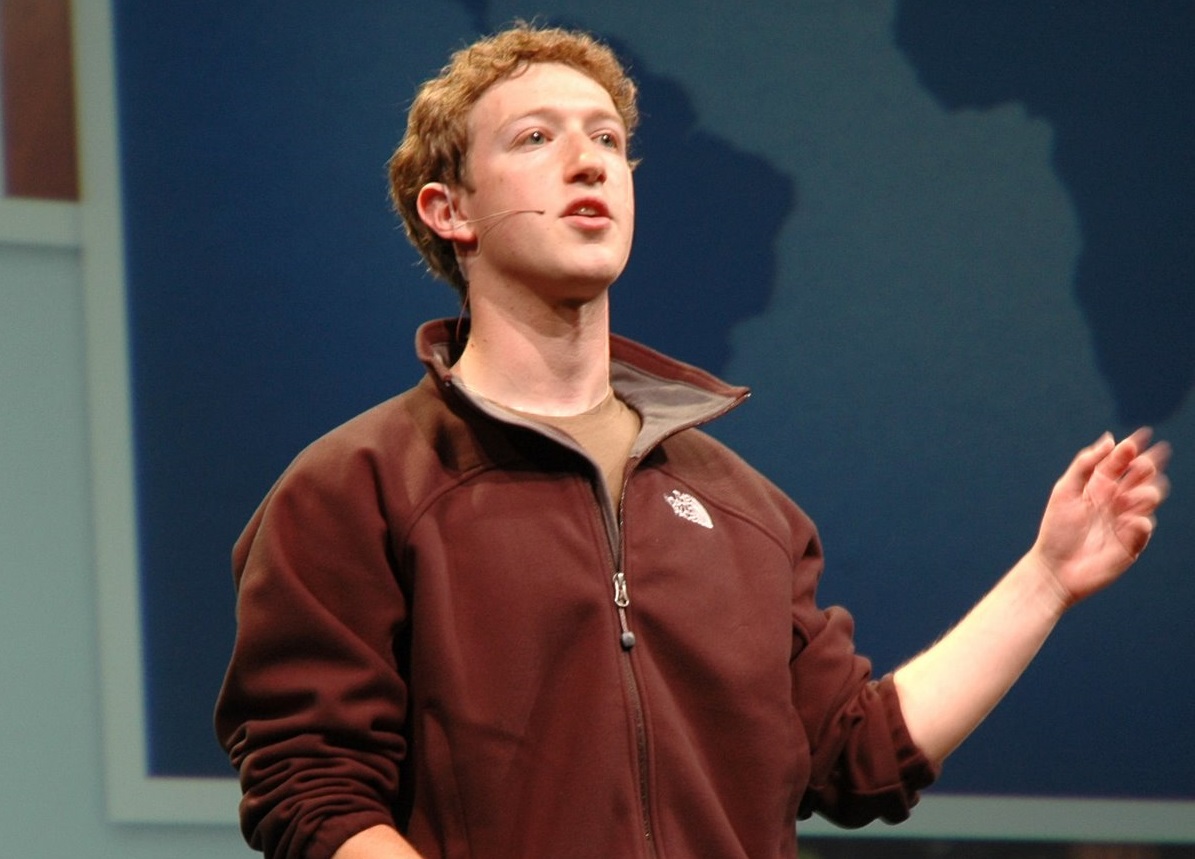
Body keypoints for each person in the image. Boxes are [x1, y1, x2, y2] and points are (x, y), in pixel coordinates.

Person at [214, 22, 1171, 859]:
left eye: (607, 139)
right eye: (536, 138)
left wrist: (1045, 578)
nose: (588, 162)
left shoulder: (745, 511)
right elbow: (312, 790)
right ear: (448, 209)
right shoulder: (359, 485)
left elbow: (855, 754)